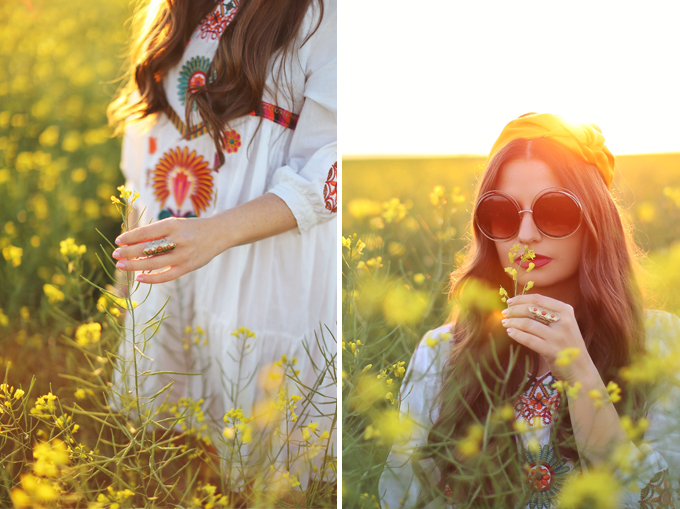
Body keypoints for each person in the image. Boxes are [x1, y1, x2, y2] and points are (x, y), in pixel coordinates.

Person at [379, 113, 680, 508]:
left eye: (553, 211)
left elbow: (663, 498)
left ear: (595, 220)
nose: (525, 235)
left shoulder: (661, 344)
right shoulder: (440, 353)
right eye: (501, 214)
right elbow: (401, 497)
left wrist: (580, 374)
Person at [105, 0, 337, 479]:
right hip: (169, 254)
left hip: (260, 261)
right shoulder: (174, 7)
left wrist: (216, 233)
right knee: (167, 463)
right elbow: (152, 144)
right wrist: (125, 272)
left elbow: (331, 171)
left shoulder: (327, 13)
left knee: (256, 471)